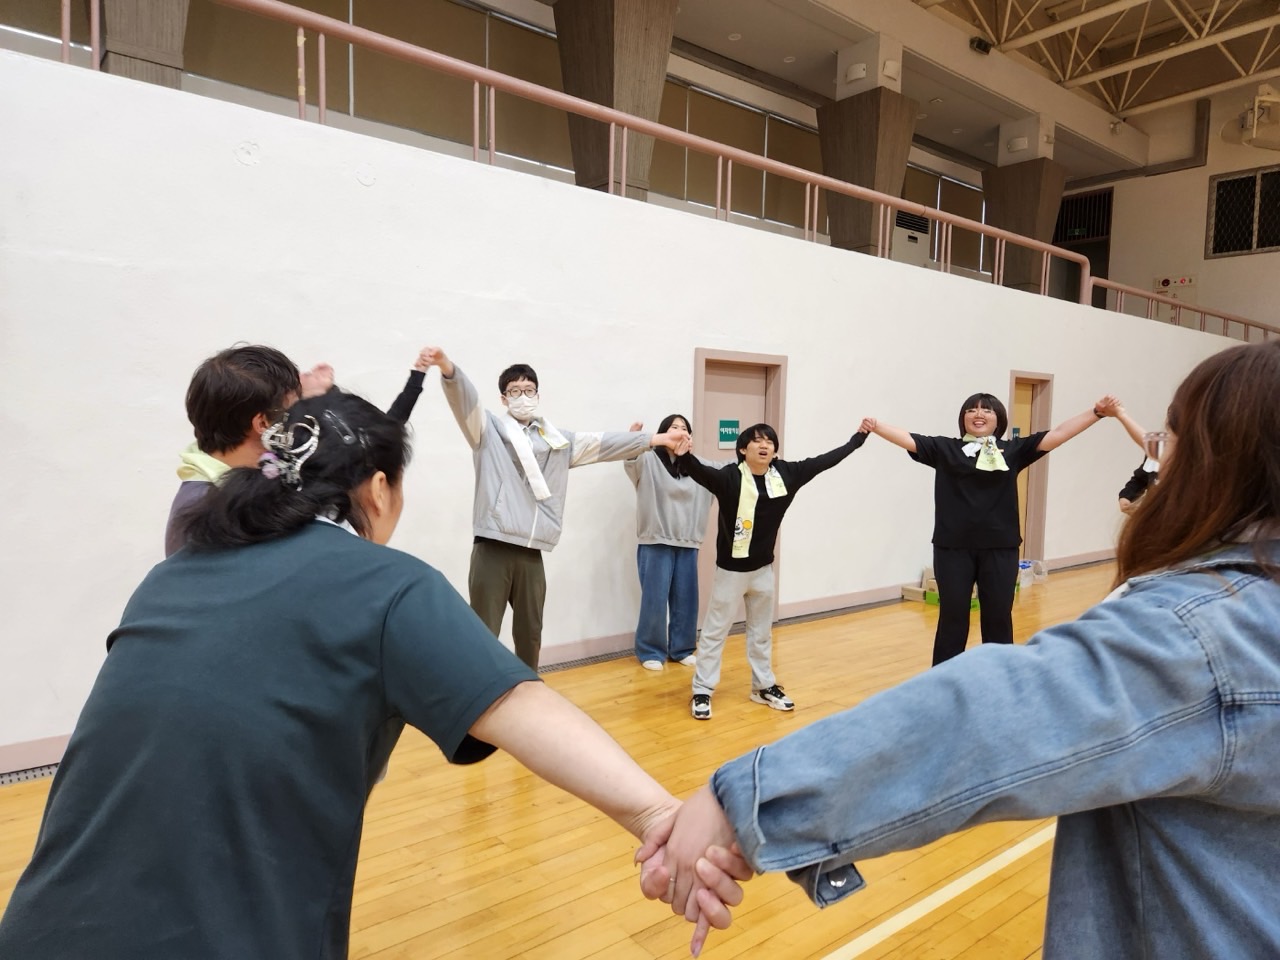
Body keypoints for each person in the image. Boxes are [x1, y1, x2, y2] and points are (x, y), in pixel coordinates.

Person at [0, 390, 706, 958]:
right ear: (378, 490)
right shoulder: (387, 586)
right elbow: (522, 704)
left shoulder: (170, 575)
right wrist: (656, 815)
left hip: (37, 929)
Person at [643, 339, 1280, 960]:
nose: (1156, 455)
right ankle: (708, 684)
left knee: (990, 626)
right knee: (943, 624)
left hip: (976, 557)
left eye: (1169, 439)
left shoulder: (1187, 628)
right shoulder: (1224, 608)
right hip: (896, 555)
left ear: (1220, 460)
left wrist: (749, 800)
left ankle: (762, 682)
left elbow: (982, 716)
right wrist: (872, 429)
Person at [416, 347, 690, 669]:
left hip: (532, 551)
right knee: (483, 632)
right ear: (503, 398)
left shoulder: (557, 441)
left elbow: (603, 443)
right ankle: (479, 691)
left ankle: (528, 686)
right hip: (493, 547)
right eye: (514, 391)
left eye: (528, 390)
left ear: (538, 395)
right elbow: (465, 401)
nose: (522, 396)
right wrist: (447, 367)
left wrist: (655, 439)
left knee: (530, 633)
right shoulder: (488, 431)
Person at [863, 392, 1121, 665]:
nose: (979, 414)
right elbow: (908, 439)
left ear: (999, 420)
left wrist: (1096, 413)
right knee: (952, 618)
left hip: (1000, 548)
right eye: (971, 410)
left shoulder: (1013, 450)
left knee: (998, 618)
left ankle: (1000, 675)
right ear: (963, 418)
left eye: (987, 410)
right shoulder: (945, 449)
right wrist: (876, 426)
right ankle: (945, 679)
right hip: (952, 549)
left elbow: (1058, 434)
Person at [676, 423, 869, 719]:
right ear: (743, 449)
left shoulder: (786, 475)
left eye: (769, 441)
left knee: (761, 634)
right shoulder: (730, 477)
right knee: (715, 632)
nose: (764, 445)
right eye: (757, 441)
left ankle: (763, 687)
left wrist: (857, 440)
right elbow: (699, 471)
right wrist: (683, 454)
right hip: (731, 571)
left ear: (775, 450)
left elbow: (823, 461)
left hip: (763, 570)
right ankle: (702, 690)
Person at [164, 346, 430, 556]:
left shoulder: (261, 469)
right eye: (294, 408)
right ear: (262, 424)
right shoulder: (205, 512)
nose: (302, 418)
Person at [624, 414, 724, 672]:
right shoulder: (648, 460)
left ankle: (682, 649)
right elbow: (630, 458)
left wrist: (761, 459)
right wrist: (634, 439)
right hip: (655, 540)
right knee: (654, 600)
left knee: (686, 600)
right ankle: (650, 651)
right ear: (663, 433)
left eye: (684, 428)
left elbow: (728, 471)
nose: (679, 431)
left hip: (689, 542)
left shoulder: (699, 466)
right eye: (673, 427)